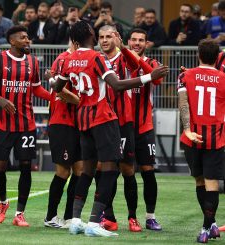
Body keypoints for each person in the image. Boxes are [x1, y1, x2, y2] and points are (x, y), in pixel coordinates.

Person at [50, 20, 168, 237]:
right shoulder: (96, 58)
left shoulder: (69, 59)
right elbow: (116, 85)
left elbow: (57, 86)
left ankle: (76, 220)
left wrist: (53, 80)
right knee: (110, 170)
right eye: (96, 33)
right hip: (103, 119)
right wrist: (149, 77)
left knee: (87, 170)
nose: (99, 36)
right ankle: (95, 222)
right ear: (90, 35)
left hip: (83, 119)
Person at [0, 25, 51, 227]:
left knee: (26, 166)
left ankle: (20, 213)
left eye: (28, 37)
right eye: (23, 37)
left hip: (26, 124)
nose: (28, 40)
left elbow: (36, 89)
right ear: (12, 41)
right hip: (2, 124)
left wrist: (56, 98)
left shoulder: (33, 62)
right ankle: (3, 202)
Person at [177, 39, 224, 243]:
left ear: (198, 55)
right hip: (216, 138)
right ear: (217, 58)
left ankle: (208, 225)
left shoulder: (185, 75)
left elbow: (183, 104)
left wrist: (187, 130)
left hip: (192, 138)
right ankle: (209, 226)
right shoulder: (223, 78)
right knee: (211, 183)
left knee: (199, 180)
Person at [97, 25, 142, 232]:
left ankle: (133, 217)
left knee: (127, 170)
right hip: (102, 122)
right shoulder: (96, 59)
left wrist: (123, 47)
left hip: (124, 121)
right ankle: (109, 216)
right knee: (104, 168)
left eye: (109, 36)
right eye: (101, 37)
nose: (105, 40)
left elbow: (137, 65)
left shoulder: (125, 57)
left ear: (117, 38)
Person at [126, 28, 163, 231]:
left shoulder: (152, 63)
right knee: (125, 171)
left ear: (146, 44)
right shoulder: (119, 62)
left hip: (144, 127)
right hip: (123, 127)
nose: (137, 43)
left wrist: (138, 60)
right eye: (134, 40)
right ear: (128, 41)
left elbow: (157, 80)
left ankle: (150, 216)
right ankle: (130, 217)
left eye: (141, 40)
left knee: (148, 172)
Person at [44, 42, 82, 229]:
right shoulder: (63, 60)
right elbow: (60, 92)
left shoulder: (81, 60)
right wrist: (81, 100)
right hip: (63, 122)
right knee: (63, 171)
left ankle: (69, 217)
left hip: (78, 124)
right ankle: (50, 216)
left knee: (80, 170)